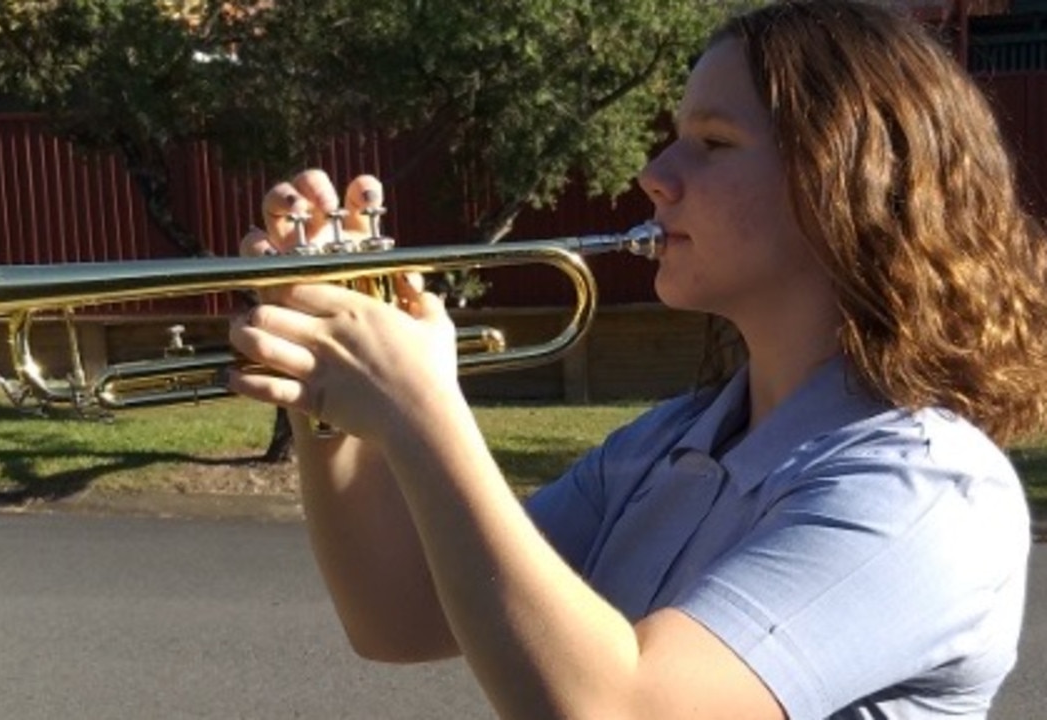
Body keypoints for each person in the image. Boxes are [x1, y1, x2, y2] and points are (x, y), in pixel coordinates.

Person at [226, 1, 1047, 717]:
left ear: (847, 182)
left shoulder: (926, 490)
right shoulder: (666, 446)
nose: (656, 175)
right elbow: (397, 617)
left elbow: (619, 711)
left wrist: (421, 408)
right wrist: (325, 395)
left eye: (713, 142)